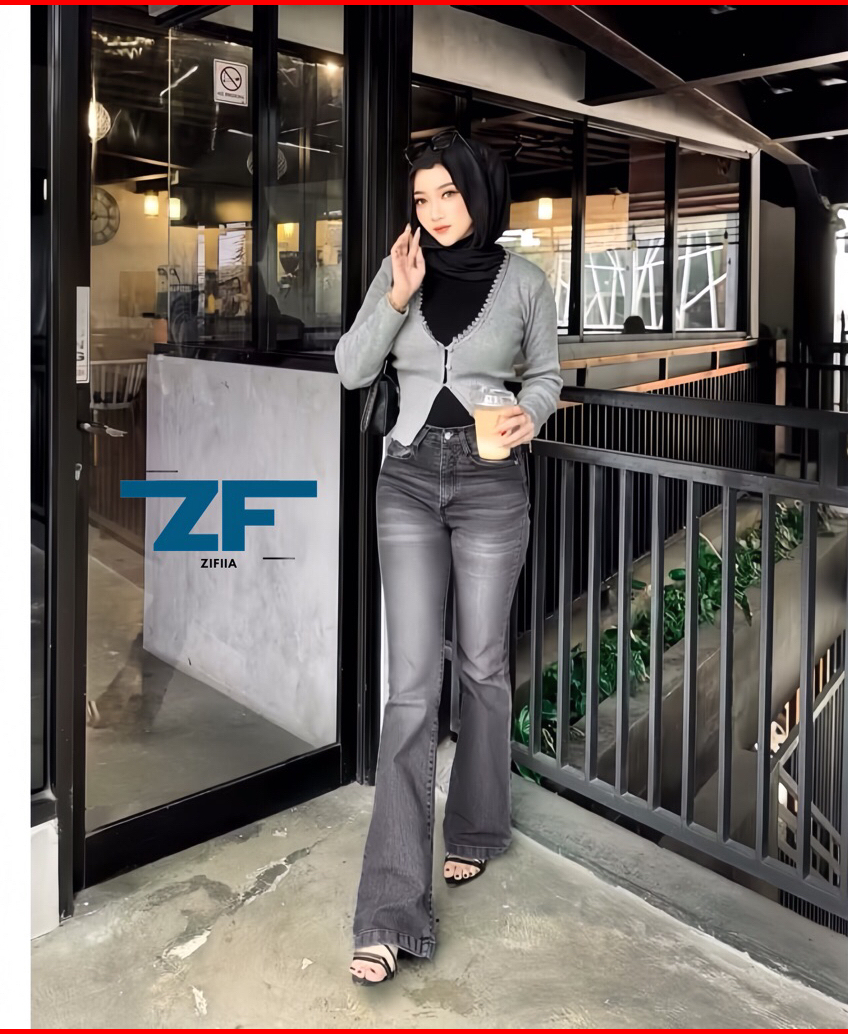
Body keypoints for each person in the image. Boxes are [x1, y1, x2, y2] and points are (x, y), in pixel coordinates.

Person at [334, 130, 563, 985]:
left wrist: (531, 413)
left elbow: (548, 376)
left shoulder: (526, 283)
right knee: (410, 689)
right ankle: (389, 911)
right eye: (422, 198)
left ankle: (476, 826)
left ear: (479, 194)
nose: (433, 212)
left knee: (483, 666)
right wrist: (396, 297)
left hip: (491, 482)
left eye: (449, 195)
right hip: (405, 479)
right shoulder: (402, 269)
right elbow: (351, 368)